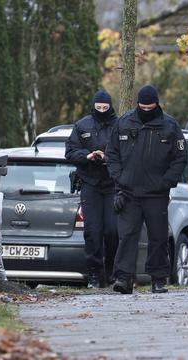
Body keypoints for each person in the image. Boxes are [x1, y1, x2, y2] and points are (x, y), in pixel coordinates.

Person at [106, 85, 187, 294]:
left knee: (158, 237)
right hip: (128, 192)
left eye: (150, 107)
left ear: (157, 105)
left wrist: (166, 182)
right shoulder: (123, 123)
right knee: (127, 236)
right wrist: (119, 178)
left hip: (156, 194)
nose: (146, 110)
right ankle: (123, 278)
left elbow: (180, 158)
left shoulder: (170, 125)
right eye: (143, 106)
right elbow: (112, 154)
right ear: (137, 104)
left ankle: (159, 278)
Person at [65, 90, 119, 288]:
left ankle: (112, 271)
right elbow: (70, 152)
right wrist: (87, 156)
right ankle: (94, 274)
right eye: (99, 108)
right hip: (90, 184)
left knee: (113, 231)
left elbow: (125, 152)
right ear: (94, 106)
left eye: (106, 108)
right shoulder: (82, 125)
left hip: (112, 184)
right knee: (92, 232)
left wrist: (107, 157)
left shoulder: (118, 125)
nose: (102, 111)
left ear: (110, 107)